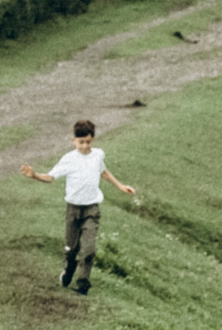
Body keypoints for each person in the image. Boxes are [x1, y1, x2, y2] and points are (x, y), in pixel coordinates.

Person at [23, 118, 137, 296]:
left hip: (91, 209)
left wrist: (120, 185)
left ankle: (83, 283)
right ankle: (68, 272)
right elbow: (51, 177)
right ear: (73, 140)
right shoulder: (69, 159)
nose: (84, 146)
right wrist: (34, 175)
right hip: (73, 210)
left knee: (89, 249)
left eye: (88, 142)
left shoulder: (98, 155)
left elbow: (103, 171)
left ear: (93, 139)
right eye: (80, 142)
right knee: (71, 249)